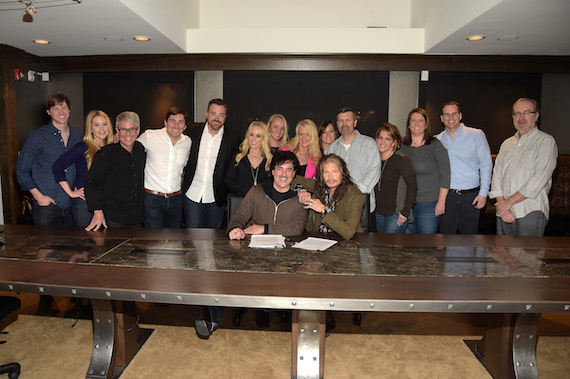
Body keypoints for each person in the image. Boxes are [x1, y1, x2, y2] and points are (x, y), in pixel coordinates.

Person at [489, 98, 558, 236]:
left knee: (528, 257)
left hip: (530, 211)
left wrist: (507, 203)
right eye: (517, 113)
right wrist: (503, 206)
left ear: (536, 115)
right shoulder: (506, 144)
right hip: (504, 213)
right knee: (502, 256)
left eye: (527, 113)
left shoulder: (546, 141)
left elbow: (538, 179)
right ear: (513, 117)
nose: (521, 117)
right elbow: (497, 176)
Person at [16, 92, 82, 226]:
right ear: (48, 112)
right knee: (46, 245)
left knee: (73, 245)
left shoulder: (77, 135)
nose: (61, 112)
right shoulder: (36, 137)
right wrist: (38, 197)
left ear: (69, 109)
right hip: (46, 206)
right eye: (56, 108)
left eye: (64, 107)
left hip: (71, 205)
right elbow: (21, 170)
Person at [435, 101, 493, 234]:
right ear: (441, 118)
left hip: (471, 196)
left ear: (460, 115)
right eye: (447, 114)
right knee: (445, 238)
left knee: (469, 240)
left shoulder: (476, 135)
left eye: (454, 114)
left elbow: (486, 165)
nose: (451, 118)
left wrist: (483, 193)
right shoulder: (436, 140)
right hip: (447, 197)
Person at [182, 99, 240, 229]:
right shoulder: (192, 131)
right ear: (207, 114)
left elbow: (234, 168)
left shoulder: (233, 137)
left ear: (226, 117)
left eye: (221, 115)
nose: (217, 118)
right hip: (192, 193)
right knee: (193, 237)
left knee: (213, 239)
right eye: (213, 114)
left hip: (217, 197)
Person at [84, 111, 146, 230]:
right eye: (123, 129)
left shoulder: (140, 149)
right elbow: (90, 184)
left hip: (137, 218)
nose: (128, 133)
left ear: (138, 130)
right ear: (117, 130)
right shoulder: (105, 154)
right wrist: (97, 211)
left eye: (132, 129)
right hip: (113, 219)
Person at [52, 110, 114, 227]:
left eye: (104, 124)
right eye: (96, 125)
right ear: (90, 128)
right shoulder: (82, 147)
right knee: (85, 241)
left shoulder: (112, 149)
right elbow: (58, 166)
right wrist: (70, 193)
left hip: (104, 203)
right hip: (84, 203)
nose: (102, 128)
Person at [228, 150, 308, 239]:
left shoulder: (301, 197)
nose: (284, 174)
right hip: (254, 246)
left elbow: (297, 227)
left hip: (287, 247)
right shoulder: (257, 191)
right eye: (280, 169)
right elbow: (240, 215)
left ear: (293, 173)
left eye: (288, 170)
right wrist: (235, 228)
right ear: (273, 171)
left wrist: (264, 229)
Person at [138, 107, 191, 228]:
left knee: (174, 241)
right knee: (154, 241)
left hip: (176, 200)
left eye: (181, 122)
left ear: (185, 126)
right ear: (165, 122)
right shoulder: (150, 136)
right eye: (172, 120)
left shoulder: (187, 142)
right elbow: (130, 150)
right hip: (153, 199)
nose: (176, 125)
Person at [400, 108, 450, 234]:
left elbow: (446, 174)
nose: (417, 124)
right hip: (406, 205)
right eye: (413, 121)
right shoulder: (401, 145)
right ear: (408, 124)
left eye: (421, 121)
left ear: (426, 124)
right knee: (407, 246)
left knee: (426, 245)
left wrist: (441, 202)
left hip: (428, 204)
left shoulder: (434, 145)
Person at [296, 154, 364, 240]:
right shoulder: (320, 187)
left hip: (345, 244)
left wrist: (324, 210)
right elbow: (294, 179)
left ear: (343, 173)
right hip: (318, 240)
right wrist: (301, 190)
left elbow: (349, 232)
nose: (330, 177)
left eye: (334, 172)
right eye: (326, 172)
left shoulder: (355, 195)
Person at [325, 107, 380, 210]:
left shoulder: (368, 144)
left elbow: (374, 172)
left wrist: (354, 192)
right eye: (341, 121)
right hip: (338, 205)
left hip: (362, 202)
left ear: (355, 122)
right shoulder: (332, 149)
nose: (344, 124)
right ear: (337, 124)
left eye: (348, 120)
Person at [373, 123, 417, 233]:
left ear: (394, 142)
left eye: (387, 139)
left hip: (396, 214)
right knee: (381, 247)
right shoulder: (374, 160)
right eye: (380, 138)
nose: (383, 142)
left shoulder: (401, 160)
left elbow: (412, 187)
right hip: (379, 212)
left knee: (389, 248)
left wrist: (405, 212)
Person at [225, 121, 272, 196]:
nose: (254, 139)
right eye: (251, 134)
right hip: (240, 202)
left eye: (258, 136)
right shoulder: (238, 156)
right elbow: (228, 180)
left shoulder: (269, 160)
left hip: (261, 203)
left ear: (263, 138)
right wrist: (245, 192)